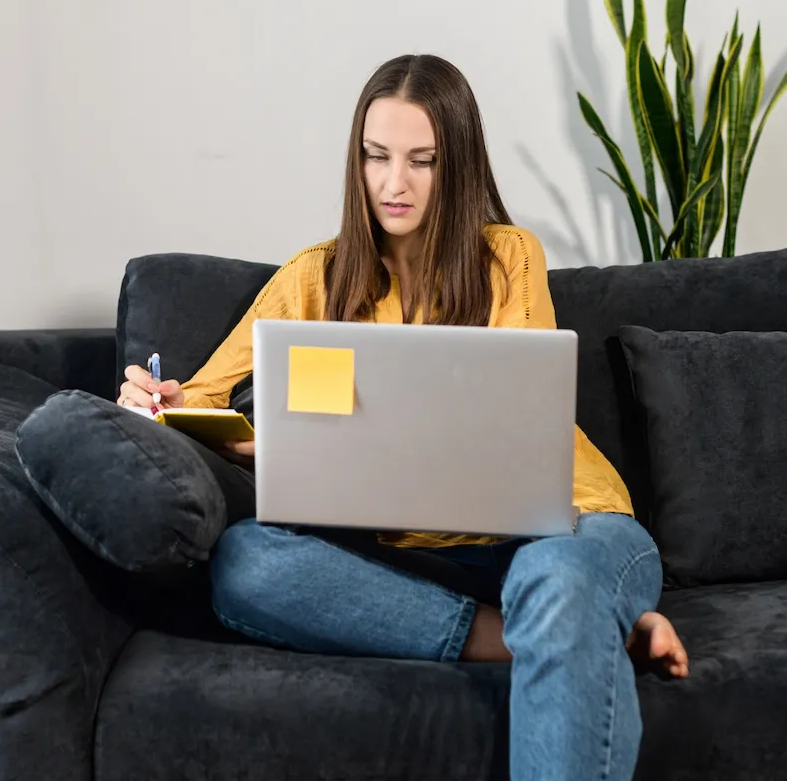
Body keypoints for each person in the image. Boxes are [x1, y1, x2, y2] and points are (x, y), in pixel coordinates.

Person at [117, 54, 688, 781]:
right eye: (377, 158)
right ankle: (557, 635)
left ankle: (569, 614)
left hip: (563, 526)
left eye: (422, 161)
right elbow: (203, 398)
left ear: (458, 166)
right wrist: (158, 404)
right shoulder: (313, 278)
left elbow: (515, 413)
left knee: (562, 577)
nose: (395, 183)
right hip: (409, 560)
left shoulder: (508, 257)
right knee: (244, 563)